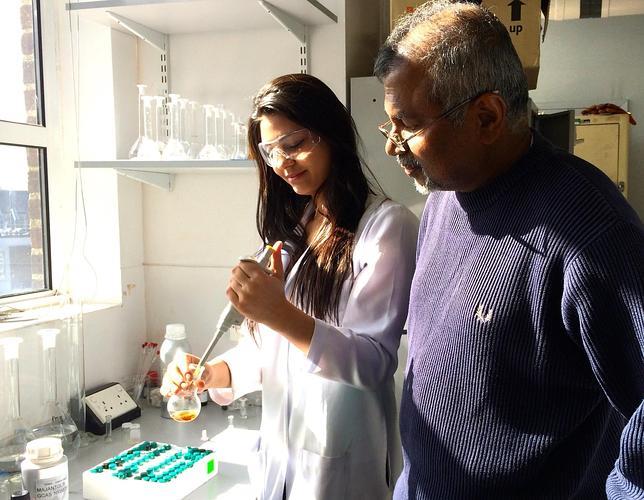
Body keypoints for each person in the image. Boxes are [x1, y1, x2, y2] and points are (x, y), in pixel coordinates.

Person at [373, 1, 644, 499]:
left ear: (487, 116)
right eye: (389, 125)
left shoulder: (586, 229)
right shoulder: (444, 198)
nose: (394, 145)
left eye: (407, 125)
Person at [161, 73, 419, 499]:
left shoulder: (387, 228)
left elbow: (373, 362)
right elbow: (270, 353)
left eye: (294, 143)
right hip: (279, 466)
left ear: (331, 134)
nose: (282, 162)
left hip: (342, 469)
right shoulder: (295, 232)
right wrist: (212, 373)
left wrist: (277, 313)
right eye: (270, 151)